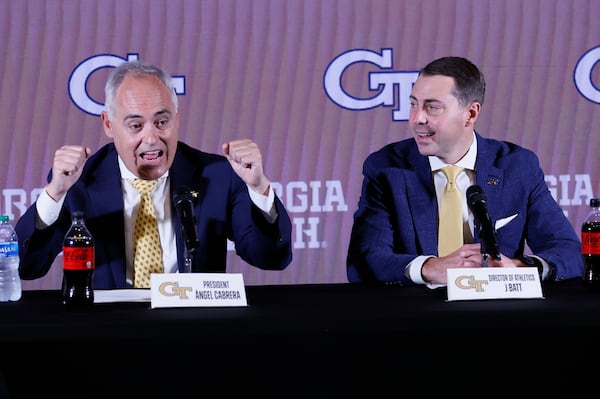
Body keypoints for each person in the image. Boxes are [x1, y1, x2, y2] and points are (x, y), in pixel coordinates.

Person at [16, 60, 293, 289]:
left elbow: (271, 257)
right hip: (105, 330)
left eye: (162, 122)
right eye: (136, 125)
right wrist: (55, 193)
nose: (151, 138)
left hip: (194, 330)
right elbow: (26, 267)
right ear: (109, 125)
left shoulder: (218, 175)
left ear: (177, 118)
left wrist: (259, 189)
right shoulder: (79, 180)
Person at [346, 56, 583, 286]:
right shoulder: (387, 168)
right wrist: (429, 267)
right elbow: (363, 261)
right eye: (413, 104)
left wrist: (519, 268)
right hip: (416, 317)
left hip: (497, 316)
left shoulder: (516, 166)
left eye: (432, 107)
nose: (417, 118)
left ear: (470, 113)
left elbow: (569, 252)